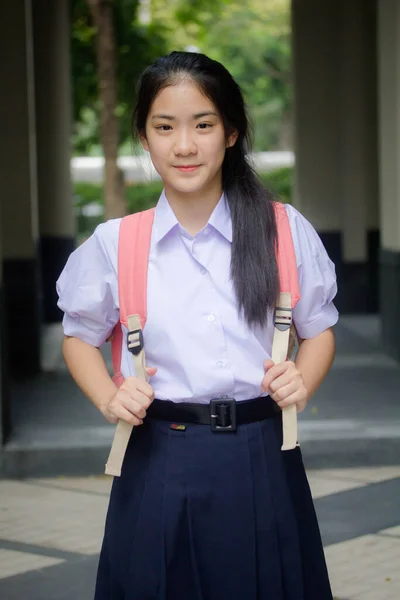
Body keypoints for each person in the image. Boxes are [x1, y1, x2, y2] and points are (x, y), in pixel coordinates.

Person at [57, 51, 338, 600]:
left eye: (203, 125)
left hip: (263, 454)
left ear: (231, 132)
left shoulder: (282, 229)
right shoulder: (118, 243)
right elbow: (79, 336)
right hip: (157, 456)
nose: (184, 145)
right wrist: (108, 397)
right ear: (144, 135)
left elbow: (319, 327)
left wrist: (303, 379)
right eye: (165, 127)